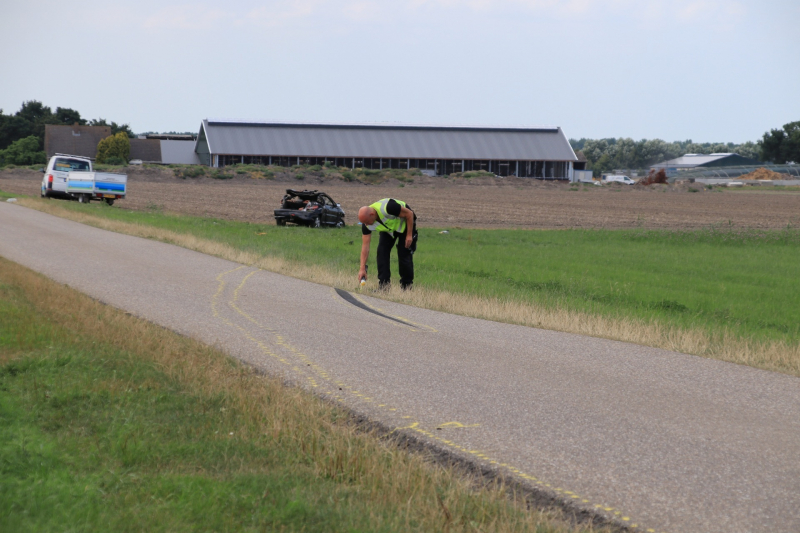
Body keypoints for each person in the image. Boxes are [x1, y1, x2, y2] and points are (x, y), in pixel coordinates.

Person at [357, 198, 417, 290]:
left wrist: (409, 235)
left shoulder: (388, 207)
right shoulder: (366, 223)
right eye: (364, 223)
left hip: (406, 225)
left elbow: (410, 214)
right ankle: (384, 286)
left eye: (367, 222)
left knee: (403, 253)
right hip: (389, 229)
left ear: (372, 214)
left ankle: (407, 287)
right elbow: (365, 246)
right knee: (382, 251)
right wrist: (362, 268)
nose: (366, 225)